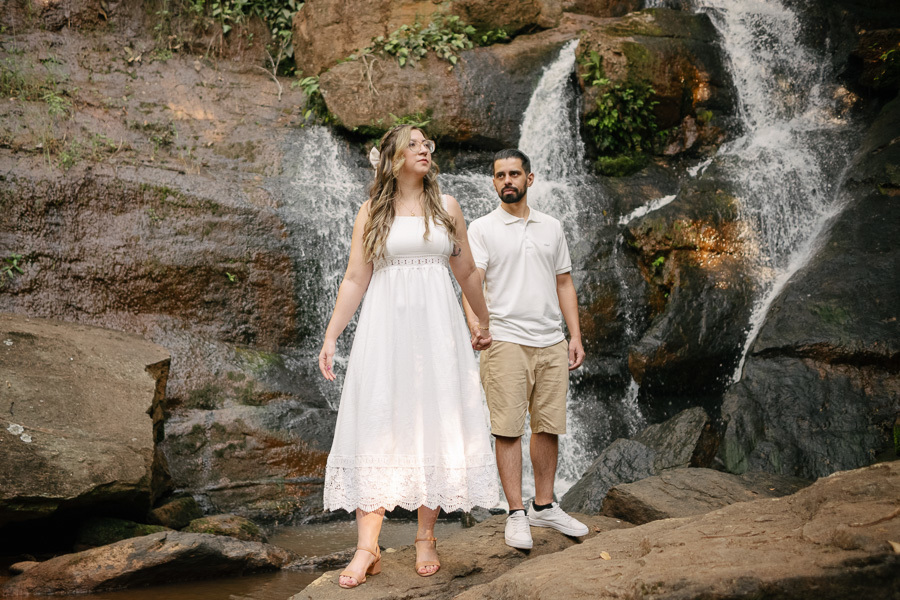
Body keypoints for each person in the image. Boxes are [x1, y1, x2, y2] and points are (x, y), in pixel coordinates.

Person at [317, 125, 498, 588]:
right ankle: (366, 548)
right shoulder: (371, 211)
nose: (424, 150)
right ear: (393, 158)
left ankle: (425, 538)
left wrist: (483, 321)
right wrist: (332, 336)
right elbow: (356, 278)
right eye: (414, 144)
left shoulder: (447, 208)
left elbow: (467, 272)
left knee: (433, 422)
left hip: (438, 336)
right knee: (377, 424)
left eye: (427, 145)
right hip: (385, 334)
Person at [463, 148, 587, 550]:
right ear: (494, 182)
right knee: (508, 428)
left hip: (550, 340)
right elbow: (471, 282)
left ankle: (544, 505)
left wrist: (575, 336)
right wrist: (477, 326)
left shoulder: (552, 227)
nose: (507, 181)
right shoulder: (482, 229)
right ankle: (515, 513)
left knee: (548, 425)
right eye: (500, 176)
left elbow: (564, 283)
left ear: (529, 179)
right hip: (505, 340)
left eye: (514, 174)